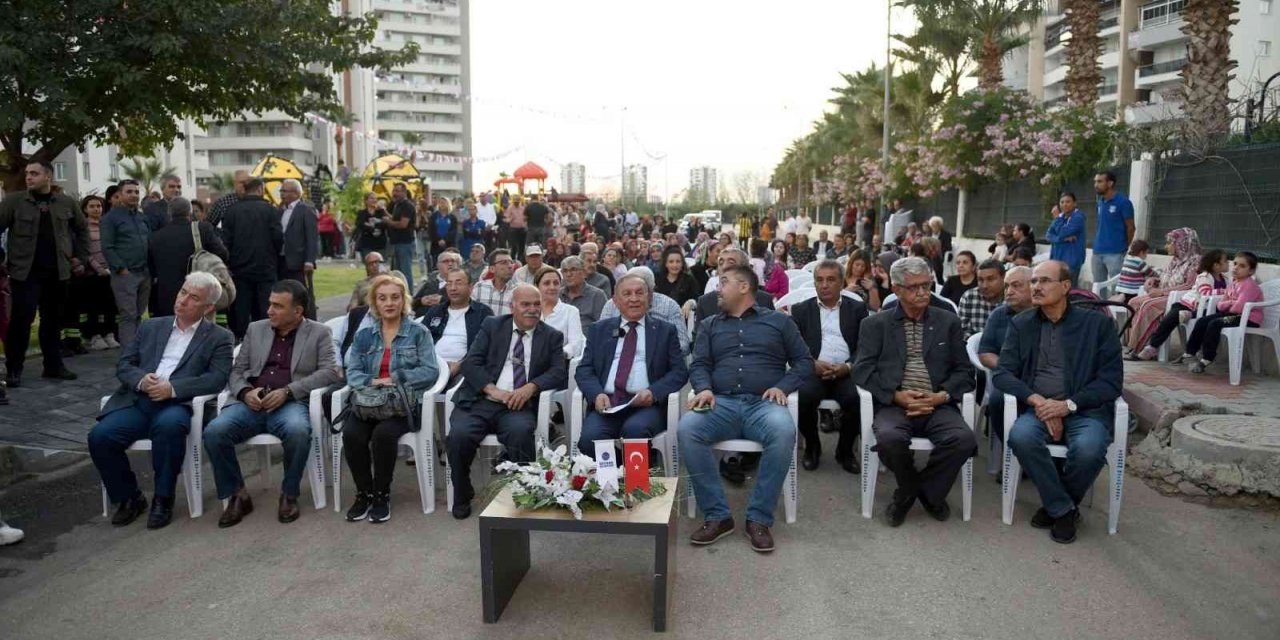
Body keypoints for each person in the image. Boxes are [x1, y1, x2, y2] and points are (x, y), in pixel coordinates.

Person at [679, 265, 812, 553]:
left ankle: (759, 518)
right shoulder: (710, 325)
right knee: (688, 429)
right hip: (721, 403)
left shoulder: (779, 322)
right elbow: (700, 364)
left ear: (744, 287)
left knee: (783, 430)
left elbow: (804, 362)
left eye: (723, 282)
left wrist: (783, 387)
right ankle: (717, 515)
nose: (717, 288)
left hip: (763, 405)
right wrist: (703, 388)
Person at [88, 273, 234, 529]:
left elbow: (217, 379)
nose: (183, 300)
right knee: (100, 436)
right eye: (183, 292)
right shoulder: (151, 326)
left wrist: (173, 388)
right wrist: (143, 380)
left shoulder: (219, 337)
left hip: (177, 404)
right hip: (139, 401)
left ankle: (163, 498)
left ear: (208, 307)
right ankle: (129, 497)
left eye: (193, 297)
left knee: (169, 427)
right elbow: (125, 364)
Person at [994, 260, 1123, 544]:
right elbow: (1003, 373)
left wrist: (1068, 406)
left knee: (1090, 449)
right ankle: (1064, 510)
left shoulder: (1098, 325)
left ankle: (1056, 505)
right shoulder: (1021, 323)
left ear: (1066, 287)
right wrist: (1038, 401)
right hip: (1038, 409)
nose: (1036, 287)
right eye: (1034, 281)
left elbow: (1111, 381)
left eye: (1044, 281)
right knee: (1021, 437)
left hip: (1084, 409)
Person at [204, 280, 341, 527]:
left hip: (289, 403)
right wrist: (246, 392)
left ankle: (289, 493)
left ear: (297, 311)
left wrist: (289, 391)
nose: (269, 311)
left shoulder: (319, 332)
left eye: (277, 306)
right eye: (270, 304)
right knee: (214, 432)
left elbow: (331, 371)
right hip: (250, 403)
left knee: (298, 432)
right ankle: (237, 494)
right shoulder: (256, 329)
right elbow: (237, 371)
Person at [852, 256, 976, 528]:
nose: (922, 292)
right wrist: (896, 395)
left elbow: (965, 372)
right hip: (895, 404)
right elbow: (862, 370)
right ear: (896, 289)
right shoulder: (876, 325)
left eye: (926, 285)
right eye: (913, 287)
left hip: (937, 403)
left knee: (964, 440)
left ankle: (917, 492)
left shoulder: (948, 321)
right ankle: (916, 490)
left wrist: (941, 396)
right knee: (889, 439)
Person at [447, 285, 567, 519]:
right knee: (459, 436)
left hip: (518, 404)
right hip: (482, 399)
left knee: (521, 432)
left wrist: (531, 387)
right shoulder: (493, 326)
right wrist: (492, 389)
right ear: (513, 307)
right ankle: (462, 492)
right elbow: (471, 362)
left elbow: (558, 371)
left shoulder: (552, 336)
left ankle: (523, 492)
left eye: (536, 304)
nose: (532, 310)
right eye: (525, 304)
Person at [342, 274, 440, 523]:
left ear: (403, 300)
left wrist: (394, 378)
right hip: (367, 401)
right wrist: (371, 382)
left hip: (402, 404)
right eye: (382, 298)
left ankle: (381, 494)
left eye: (395, 297)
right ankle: (363, 493)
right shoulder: (364, 335)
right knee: (352, 434)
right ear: (375, 302)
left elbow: (430, 371)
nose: (389, 303)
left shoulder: (419, 332)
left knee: (382, 435)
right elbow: (352, 370)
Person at [575, 273, 688, 455]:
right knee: (590, 440)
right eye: (627, 294)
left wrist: (654, 392)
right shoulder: (599, 330)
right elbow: (584, 369)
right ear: (615, 300)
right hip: (608, 404)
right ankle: (623, 472)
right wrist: (596, 395)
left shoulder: (665, 331)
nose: (634, 299)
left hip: (646, 406)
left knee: (634, 433)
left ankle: (637, 479)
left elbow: (679, 371)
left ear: (649, 297)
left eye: (639, 293)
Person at [0, 160, 90, 385]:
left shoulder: (65, 202)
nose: (29, 177)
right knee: (22, 321)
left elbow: (81, 229)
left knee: (53, 321)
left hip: (58, 272)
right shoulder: (14, 202)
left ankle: (53, 365)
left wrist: (81, 257)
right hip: (25, 273)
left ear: (48, 176)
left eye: (34, 173)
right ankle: (14, 368)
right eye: (28, 173)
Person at [791, 260, 867, 474]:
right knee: (804, 396)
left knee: (857, 399)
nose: (824, 285)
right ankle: (813, 446)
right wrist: (811, 363)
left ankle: (844, 451)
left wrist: (849, 366)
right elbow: (793, 346)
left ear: (842, 282)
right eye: (819, 280)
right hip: (814, 369)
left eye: (831, 280)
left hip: (846, 370)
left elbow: (865, 346)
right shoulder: (801, 310)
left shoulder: (857, 309)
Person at [1131, 250, 1227, 362]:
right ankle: (1152, 347)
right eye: (1225, 261)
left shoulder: (1226, 280)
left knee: (1197, 315)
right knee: (1171, 318)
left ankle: (1190, 316)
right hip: (1187, 304)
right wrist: (1225, 291)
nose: (1229, 264)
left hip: (1204, 310)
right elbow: (1205, 293)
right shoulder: (1204, 277)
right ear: (1216, 265)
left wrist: (1226, 292)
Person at [220, 178, 283, 340]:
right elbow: (278, 237)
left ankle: (240, 338)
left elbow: (225, 240)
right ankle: (265, 338)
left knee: (240, 307)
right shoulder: (270, 210)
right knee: (265, 306)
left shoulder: (232, 211)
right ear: (260, 189)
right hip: (265, 266)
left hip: (239, 267)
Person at [1183, 252, 1264, 374]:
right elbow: (1220, 305)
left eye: (1242, 266)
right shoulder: (1234, 283)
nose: (1236, 267)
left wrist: (1230, 304)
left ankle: (1207, 358)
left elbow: (1239, 308)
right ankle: (1190, 353)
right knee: (1203, 320)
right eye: (1235, 264)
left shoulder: (1249, 286)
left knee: (1215, 323)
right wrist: (1231, 302)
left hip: (1248, 318)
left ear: (1251, 271)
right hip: (1234, 315)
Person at [147, 196, 229, 317]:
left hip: (167, 298)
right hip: (199, 294)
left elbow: (152, 269)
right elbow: (223, 254)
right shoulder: (202, 229)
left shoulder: (155, 237)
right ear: (189, 212)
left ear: (169, 213)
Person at [977, 265, 1033, 441]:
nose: (1009, 291)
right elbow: (985, 353)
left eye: (1017, 286)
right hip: (1010, 376)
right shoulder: (999, 315)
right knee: (998, 399)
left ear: (1034, 286)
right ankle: (1011, 451)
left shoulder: (1045, 313)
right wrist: (1009, 367)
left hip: (1043, 377)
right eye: (1007, 286)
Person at [1125, 228, 1202, 354]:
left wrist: (1161, 292)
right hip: (1165, 294)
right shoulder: (1176, 259)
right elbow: (1166, 278)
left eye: (1170, 243)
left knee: (1148, 306)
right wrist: (1154, 280)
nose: (1166, 246)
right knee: (1133, 302)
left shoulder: (1195, 261)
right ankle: (1131, 343)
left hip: (1179, 298)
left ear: (1181, 244)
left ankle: (1137, 348)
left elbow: (1189, 285)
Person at [101, 179, 154, 353]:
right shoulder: (110, 218)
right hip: (125, 274)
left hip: (144, 273)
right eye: (129, 192)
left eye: (136, 192)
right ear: (120, 195)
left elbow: (150, 242)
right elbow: (107, 247)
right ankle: (128, 356)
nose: (133, 195)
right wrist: (121, 269)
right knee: (128, 315)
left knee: (138, 314)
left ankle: (136, 351)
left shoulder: (141, 217)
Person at [599, 266, 693, 356]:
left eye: (640, 292)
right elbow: (601, 336)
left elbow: (683, 345)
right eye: (628, 292)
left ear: (652, 289)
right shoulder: (612, 305)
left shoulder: (669, 306)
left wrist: (654, 353)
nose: (634, 298)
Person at [421, 268, 493, 383]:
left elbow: (486, 347)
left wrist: (461, 365)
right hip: (430, 366)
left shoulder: (483, 312)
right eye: (449, 283)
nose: (453, 288)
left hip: (465, 369)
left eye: (458, 283)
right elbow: (419, 340)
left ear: (471, 287)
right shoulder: (435, 311)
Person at [76, 195, 119, 350]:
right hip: (92, 274)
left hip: (110, 271)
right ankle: (94, 336)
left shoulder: (107, 225)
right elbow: (85, 252)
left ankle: (109, 334)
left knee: (109, 306)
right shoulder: (83, 227)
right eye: (92, 206)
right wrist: (99, 269)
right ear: (85, 209)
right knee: (94, 306)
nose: (96, 209)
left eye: (99, 206)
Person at [693, 247, 776, 328]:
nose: (724, 266)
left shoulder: (764, 300)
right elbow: (698, 339)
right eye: (721, 263)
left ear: (745, 269)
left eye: (731, 263)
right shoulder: (706, 303)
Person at [277, 179, 319, 315]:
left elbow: (312, 238)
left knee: (303, 293)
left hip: (300, 261)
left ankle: (310, 319)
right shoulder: (280, 210)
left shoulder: (306, 210)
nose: (281, 194)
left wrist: (309, 261)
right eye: (281, 191)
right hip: (282, 259)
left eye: (284, 191)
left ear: (295, 193)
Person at [1091, 170, 1135, 285]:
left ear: (1110, 183)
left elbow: (1131, 227)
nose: (1096, 185)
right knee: (1098, 287)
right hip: (1097, 252)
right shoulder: (1100, 202)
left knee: (1116, 287)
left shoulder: (1123, 202)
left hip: (1116, 253)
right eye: (1095, 181)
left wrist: (1126, 246)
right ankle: (1101, 304)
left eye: (1100, 181)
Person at [534, 266, 585, 358]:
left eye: (556, 283)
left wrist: (557, 355)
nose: (552, 287)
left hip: (558, 362)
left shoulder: (570, 311)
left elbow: (575, 344)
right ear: (537, 286)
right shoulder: (531, 311)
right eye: (546, 283)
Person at [959, 259, 1006, 340]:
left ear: (1003, 278)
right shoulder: (969, 297)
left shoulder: (1012, 298)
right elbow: (962, 331)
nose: (985, 286)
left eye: (990, 279)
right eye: (980, 280)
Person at [559, 256, 608, 331]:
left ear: (584, 273)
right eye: (565, 271)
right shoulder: (558, 295)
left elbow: (604, 326)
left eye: (573, 270)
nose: (568, 274)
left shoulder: (597, 295)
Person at [1045, 192, 1086, 281]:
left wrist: (1057, 219)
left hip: (1071, 262)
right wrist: (1062, 239)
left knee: (1070, 290)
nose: (1064, 204)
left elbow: (1063, 232)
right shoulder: (1061, 217)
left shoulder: (1078, 217)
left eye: (1068, 202)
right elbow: (1048, 235)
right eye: (1062, 202)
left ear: (1075, 203)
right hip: (1056, 260)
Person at [385, 184, 418, 285]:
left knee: (405, 272)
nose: (394, 194)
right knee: (396, 273)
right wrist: (385, 213)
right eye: (393, 191)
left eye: (397, 191)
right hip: (396, 242)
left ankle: (409, 295)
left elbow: (403, 224)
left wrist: (388, 222)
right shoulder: (396, 205)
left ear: (404, 192)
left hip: (405, 243)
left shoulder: (407, 206)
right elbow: (395, 218)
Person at [412, 251, 461, 317]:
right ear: (438, 265)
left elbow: (464, 303)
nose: (450, 264)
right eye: (446, 261)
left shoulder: (461, 283)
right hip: (423, 320)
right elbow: (411, 303)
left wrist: (442, 300)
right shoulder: (430, 283)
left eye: (453, 261)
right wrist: (421, 301)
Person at [472, 249, 519, 316]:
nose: (510, 266)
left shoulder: (517, 291)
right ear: (492, 269)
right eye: (504, 262)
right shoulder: (479, 287)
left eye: (511, 262)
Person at [354, 192, 389, 259]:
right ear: (366, 201)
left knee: (381, 264)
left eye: (376, 198)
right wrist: (372, 226)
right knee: (369, 264)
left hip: (380, 243)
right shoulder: (362, 213)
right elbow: (360, 224)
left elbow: (386, 223)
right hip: (366, 243)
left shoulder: (381, 212)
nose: (374, 200)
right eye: (372, 198)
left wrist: (370, 224)